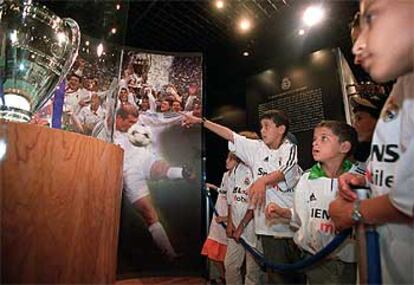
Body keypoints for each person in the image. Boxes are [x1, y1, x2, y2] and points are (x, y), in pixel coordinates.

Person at [329, 1, 414, 284]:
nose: (357, 49)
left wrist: (352, 212)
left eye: (372, 18)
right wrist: (364, 177)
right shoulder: (404, 85)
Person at [183, 110, 304, 284]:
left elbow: (287, 169)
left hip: (289, 229)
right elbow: (229, 135)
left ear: (281, 129)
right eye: (261, 126)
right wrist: (201, 121)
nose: (262, 130)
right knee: (276, 278)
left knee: (294, 277)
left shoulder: (289, 149)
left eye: (267, 126)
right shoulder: (256, 149)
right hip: (267, 229)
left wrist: (262, 181)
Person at [266, 121, 358, 284]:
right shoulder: (307, 179)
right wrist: (284, 212)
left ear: (344, 147)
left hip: (348, 263)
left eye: (324, 138)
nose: (315, 142)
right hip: (313, 261)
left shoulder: (359, 178)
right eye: (314, 139)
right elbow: (302, 216)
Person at [114, 104, 192, 261]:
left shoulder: (142, 121)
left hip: (144, 158)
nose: (133, 126)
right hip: (128, 171)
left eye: (135, 122)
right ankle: (170, 255)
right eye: (129, 122)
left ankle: (182, 172)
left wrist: (189, 115)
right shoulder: (106, 129)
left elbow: (165, 119)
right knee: (149, 214)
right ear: (118, 118)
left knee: (161, 168)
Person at [225, 131, 262, 285]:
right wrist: (230, 221)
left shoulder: (258, 169)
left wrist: (242, 225)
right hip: (235, 226)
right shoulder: (235, 170)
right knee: (230, 265)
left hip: (252, 227)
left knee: (252, 272)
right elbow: (231, 198)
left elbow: (255, 203)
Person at [201, 153, 237, 285]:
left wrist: (227, 218)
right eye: (227, 157)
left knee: (229, 258)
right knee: (213, 254)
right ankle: (225, 278)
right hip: (218, 219)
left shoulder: (241, 178)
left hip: (228, 222)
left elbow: (238, 202)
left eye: (231, 159)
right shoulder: (226, 175)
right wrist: (215, 188)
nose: (227, 161)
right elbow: (224, 193)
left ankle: (228, 279)